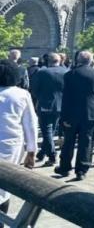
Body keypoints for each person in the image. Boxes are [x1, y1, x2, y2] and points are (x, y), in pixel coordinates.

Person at [56, 51, 94, 180]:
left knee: (68, 141)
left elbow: (65, 97)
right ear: (91, 61)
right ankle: (82, 170)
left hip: (72, 113)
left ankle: (64, 167)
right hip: (91, 112)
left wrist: (64, 117)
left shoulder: (70, 74)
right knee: (87, 142)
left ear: (78, 60)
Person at [0, 60, 37, 217]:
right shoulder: (22, 94)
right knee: (4, 187)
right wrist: (31, 151)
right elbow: (31, 124)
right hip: (10, 146)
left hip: (9, 144)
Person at [30, 52, 66, 166]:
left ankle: (52, 155)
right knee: (50, 131)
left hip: (45, 105)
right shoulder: (66, 72)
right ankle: (42, 153)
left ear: (48, 61)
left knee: (47, 132)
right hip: (60, 106)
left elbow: (34, 89)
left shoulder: (42, 72)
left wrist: (39, 97)